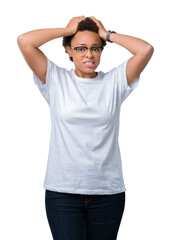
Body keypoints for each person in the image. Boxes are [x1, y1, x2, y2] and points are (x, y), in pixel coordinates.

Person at [17, 16, 154, 240]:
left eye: (95, 48)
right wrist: (67, 29)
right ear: (68, 51)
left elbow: (145, 49)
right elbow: (25, 41)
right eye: (80, 48)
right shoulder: (55, 79)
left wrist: (107, 34)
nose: (89, 54)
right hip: (63, 193)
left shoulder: (115, 82)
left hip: (107, 193)